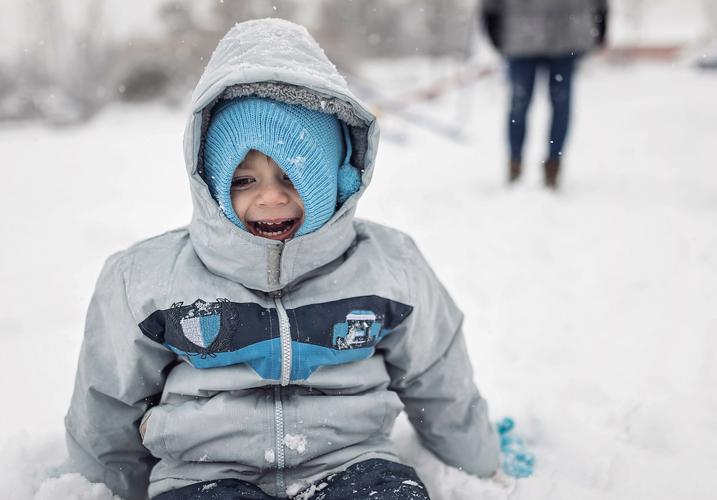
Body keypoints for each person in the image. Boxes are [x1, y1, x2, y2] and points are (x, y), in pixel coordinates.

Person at [64, 19, 504, 500]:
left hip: (354, 464)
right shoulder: (150, 280)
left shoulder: (388, 267)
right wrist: (102, 489)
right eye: (243, 180)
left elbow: (437, 375)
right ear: (210, 186)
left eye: (292, 176)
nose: (270, 199)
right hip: (203, 474)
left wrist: (479, 462)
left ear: (332, 178)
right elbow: (107, 404)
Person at [481, 0, 608, 188]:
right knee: (540, 104)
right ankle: (521, 164)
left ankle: (547, 165)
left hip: (552, 36)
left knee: (531, 104)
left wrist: (601, 19)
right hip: (531, 36)